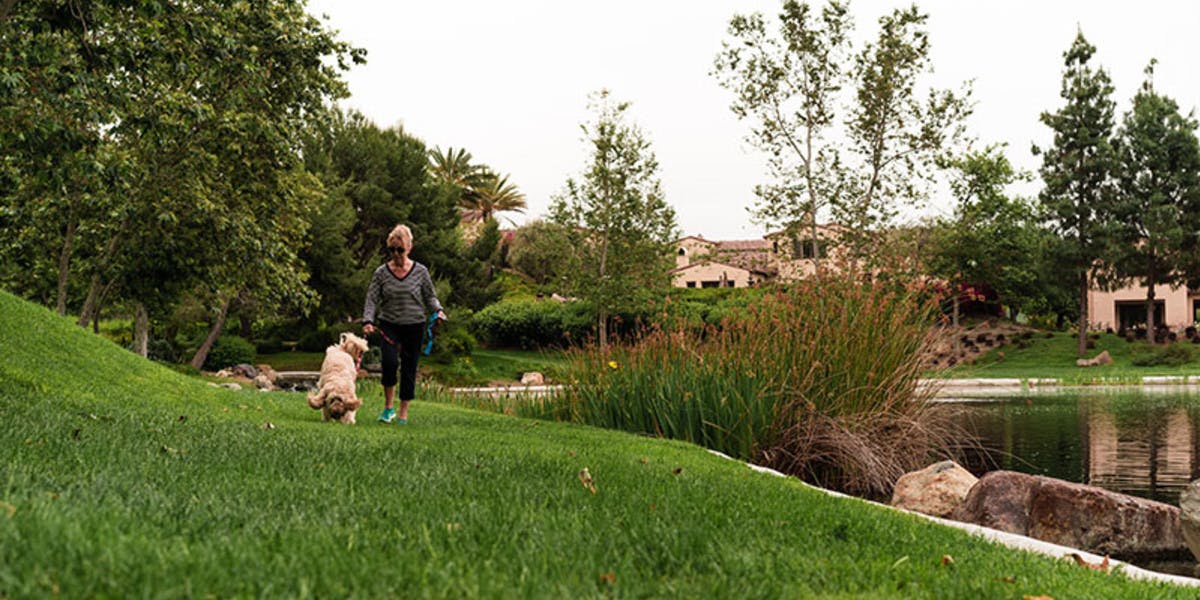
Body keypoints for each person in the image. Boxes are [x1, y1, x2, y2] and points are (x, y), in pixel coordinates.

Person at [362, 224, 447, 424]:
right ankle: (388, 408)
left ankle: (403, 413)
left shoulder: (421, 272)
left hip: (414, 325)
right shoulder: (381, 273)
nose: (396, 254)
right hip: (389, 324)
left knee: (409, 368)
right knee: (389, 363)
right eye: (392, 250)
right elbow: (372, 299)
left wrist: (438, 310)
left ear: (410, 247)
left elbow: (430, 297)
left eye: (400, 249)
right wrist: (368, 320)